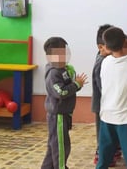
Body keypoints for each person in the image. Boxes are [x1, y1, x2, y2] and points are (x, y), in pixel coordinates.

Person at [97, 26, 127, 169]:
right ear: (125, 41)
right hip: (126, 118)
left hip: (106, 115)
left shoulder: (104, 62)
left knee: (104, 155)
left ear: (106, 46)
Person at [41, 37, 88, 169]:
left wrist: (74, 80)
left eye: (64, 53)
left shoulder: (63, 70)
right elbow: (60, 92)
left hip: (64, 114)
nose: (63, 57)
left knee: (53, 146)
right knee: (61, 147)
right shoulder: (53, 73)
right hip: (58, 116)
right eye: (59, 54)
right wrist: (76, 85)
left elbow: (69, 83)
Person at [91, 24, 121, 166]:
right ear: (100, 47)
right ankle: (101, 155)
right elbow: (103, 87)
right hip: (102, 105)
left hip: (109, 104)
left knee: (111, 131)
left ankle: (113, 151)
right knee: (103, 133)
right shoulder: (101, 63)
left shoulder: (107, 59)